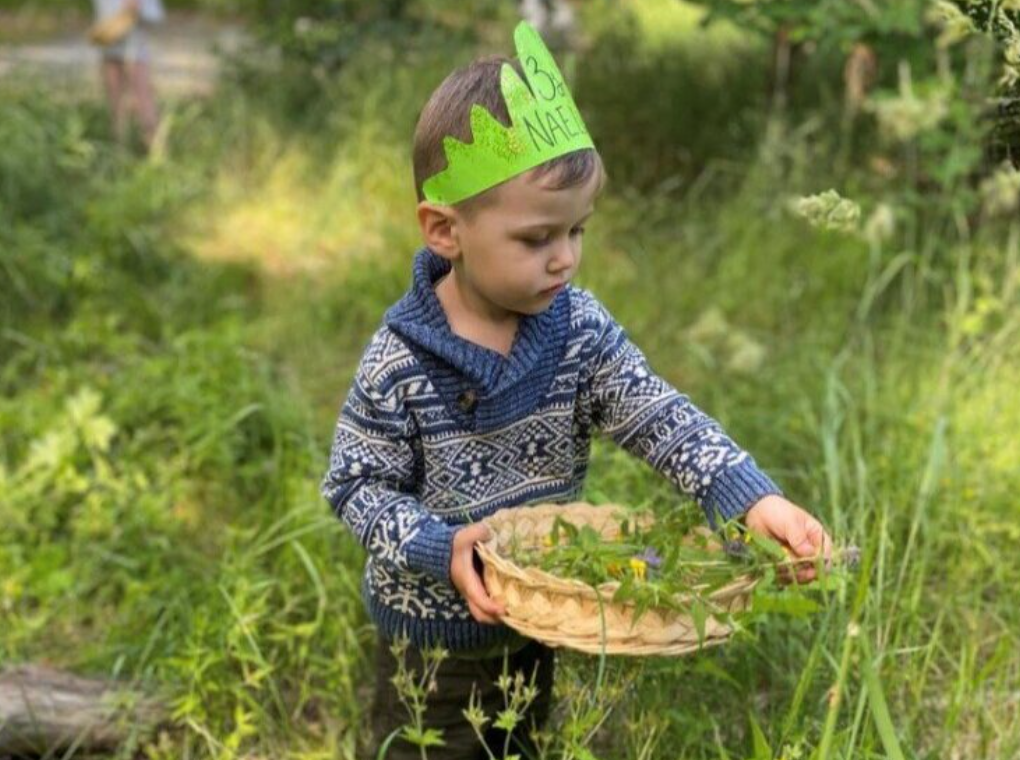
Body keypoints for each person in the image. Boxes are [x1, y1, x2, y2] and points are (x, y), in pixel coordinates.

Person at [320, 22, 833, 760]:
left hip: (536, 618)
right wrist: (439, 546)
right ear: (444, 230)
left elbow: (660, 418)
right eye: (536, 240)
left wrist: (753, 499)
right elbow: (355, 485)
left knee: (522, 743)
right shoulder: (399, 360)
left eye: (577, 231)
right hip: (428, 644)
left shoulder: (578, 330)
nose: (564, 260)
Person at [91, 0, 165, 150]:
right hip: (110, 48)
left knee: (143, 99)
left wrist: (138, 9)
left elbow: (156, 16)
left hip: (135, 49)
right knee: (115, 102)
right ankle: (119, 149)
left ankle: (157, 151)